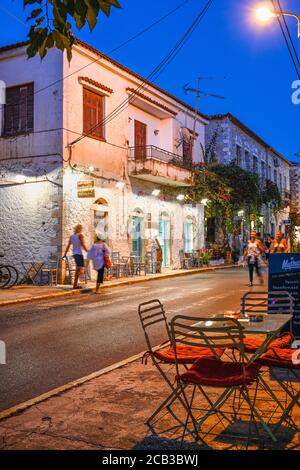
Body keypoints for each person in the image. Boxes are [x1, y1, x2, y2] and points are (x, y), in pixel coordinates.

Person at [64, 224, 88, 289]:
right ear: (79, 229)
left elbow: (68, 245)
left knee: (79, 269)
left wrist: (65, 254)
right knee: (80, 269)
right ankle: (75, 284)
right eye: (81, 229)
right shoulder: (80, 235)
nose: (81, 230)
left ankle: (75, 284)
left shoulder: (72, 236)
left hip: (75, 254)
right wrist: (88, 251)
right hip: (79, 254)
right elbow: (83, 245)